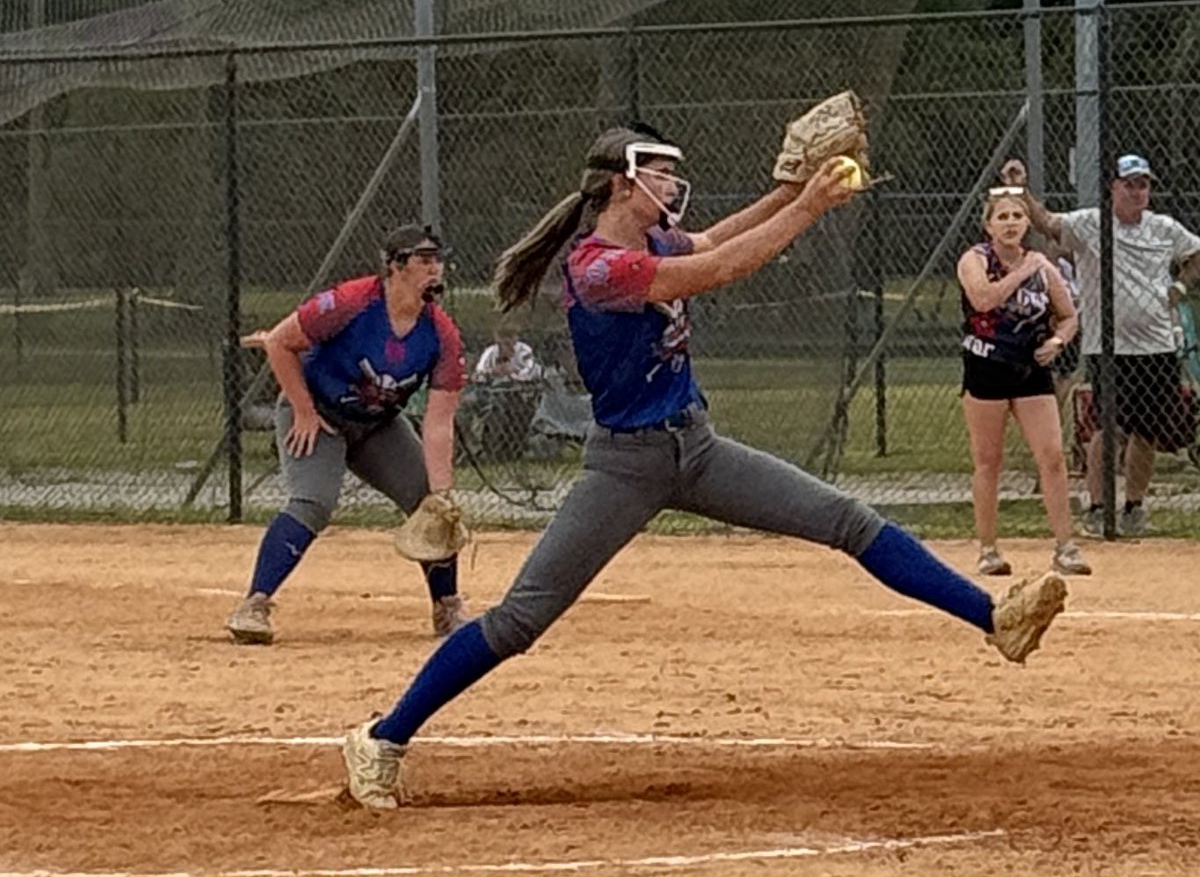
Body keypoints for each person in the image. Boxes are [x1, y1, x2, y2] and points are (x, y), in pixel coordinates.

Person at [338, 128, 1069, 808]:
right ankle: (383, 738)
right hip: (626, 466)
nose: (672, 184)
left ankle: (994, 617)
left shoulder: (651, 235)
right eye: (660, 173)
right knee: (523, 616)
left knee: (847, 520)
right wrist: (810, 206)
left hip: (698, 446)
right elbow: (716, 267)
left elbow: (715, 237)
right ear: (624, 185)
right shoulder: (599, 267)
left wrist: (790, 189)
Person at [225, 226, 470, 645]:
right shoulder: (352, 302)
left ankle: (446, 609)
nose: (435, 268)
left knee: (431, 505)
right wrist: (301, 408)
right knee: (314, 501)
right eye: (423, 259)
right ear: (396, 266)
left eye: (438, 260)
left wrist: (442, 489)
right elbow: (281, 342)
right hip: (318, 413)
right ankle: (254, 605)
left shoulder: (440, 333)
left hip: (378, 424)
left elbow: (438, 421)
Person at [1002, 154, 1200, 536]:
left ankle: (1135, 507)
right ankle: (1097, 507)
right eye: (1130, 184)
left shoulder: (1163, 228)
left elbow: (1195, 255)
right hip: (1108, 347)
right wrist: (1020, 188)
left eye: (1143, 184)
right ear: (1114, 187)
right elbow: (1045, 223)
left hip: (1156, 345)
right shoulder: (1091, 224)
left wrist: (1179, 287)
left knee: (1148, 432)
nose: (1138, 191)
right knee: (1108, 429)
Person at [957, 187, 1089, 577]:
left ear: (1027, 222)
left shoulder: (1041, 266)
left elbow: (1068, 316)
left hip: (1031, 370)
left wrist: (1057, 341)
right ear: (988, 225)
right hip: (987, 367)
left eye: (1017, 216)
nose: (1011, 223)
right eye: (1002, 217)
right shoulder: (975, 259)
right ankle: (988, 550)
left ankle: (1066, 547)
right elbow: (983, 300)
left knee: (1051, 456)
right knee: (987, 461)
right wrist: (1021, 272)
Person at [473, 320, 541, 384]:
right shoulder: (490, 352)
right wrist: (492, 372)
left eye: (513, 339)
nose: (511, 345)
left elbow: (531, 371)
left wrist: (512, 372)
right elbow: (478, 373)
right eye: (506, 343)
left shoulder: (524, 350)